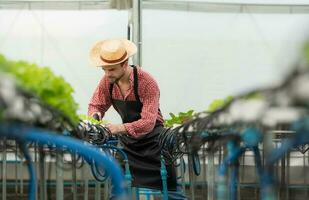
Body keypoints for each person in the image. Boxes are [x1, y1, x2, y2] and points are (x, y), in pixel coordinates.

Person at [88, 38, 187, 199]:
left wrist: (119, 128)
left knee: (172, 191)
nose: (107, 74)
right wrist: (96, 117)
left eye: (111, 69)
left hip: (155, 142)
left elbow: (148, 123)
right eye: (104, 69)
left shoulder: (146, 82)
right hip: (128, 144)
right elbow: (96, 105)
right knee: (118, 190)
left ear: (124, 63)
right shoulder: (108, 82)